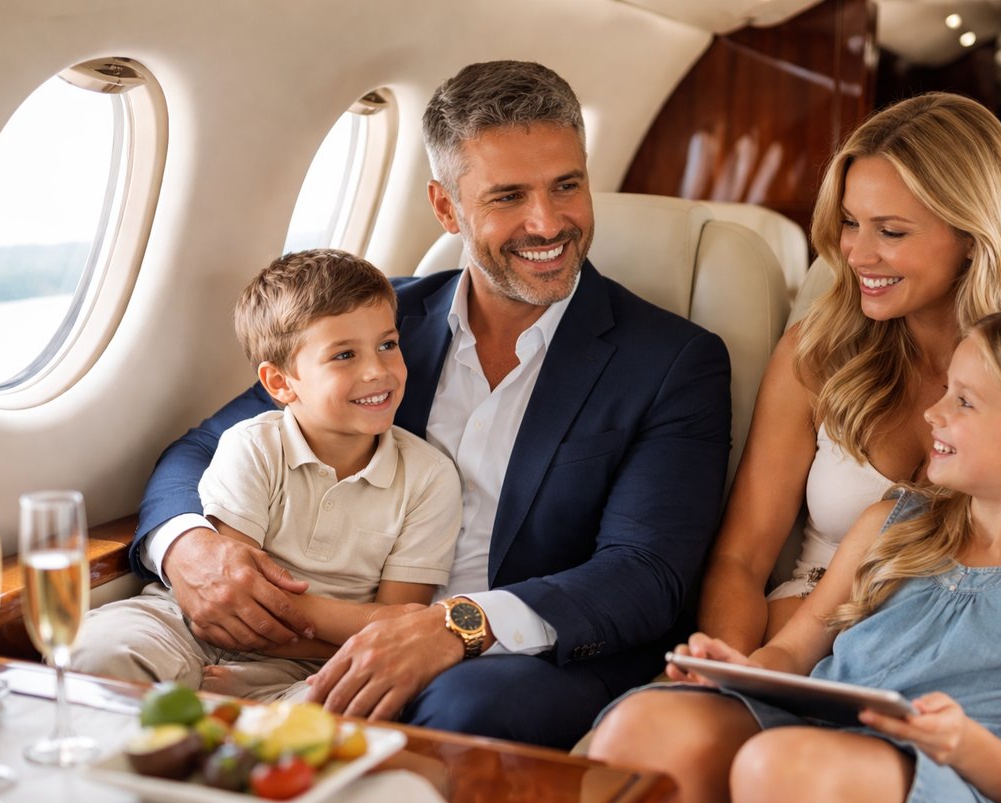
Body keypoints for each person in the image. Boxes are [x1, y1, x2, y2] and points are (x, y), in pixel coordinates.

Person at [119, 60, 732, 747]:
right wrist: (190, 549)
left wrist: (455, 628)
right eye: (507, 197)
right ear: (446, 208)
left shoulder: (674, 360)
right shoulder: (380, 323)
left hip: (522, 654)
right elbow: (200, 448)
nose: (547, 221)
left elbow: (646, 574)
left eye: (567, 185)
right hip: (337, 629)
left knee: (461, 707)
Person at [697, 92, 1001, 803]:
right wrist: (741, 677)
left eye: (891, 231)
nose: (855, 254)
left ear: (973, 236)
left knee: (789, 772)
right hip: (806, 654)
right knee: (646, 737)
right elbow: (741, 558)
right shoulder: (818, 353)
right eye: (848, 222)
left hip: (935, 713)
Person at [592, 310, 1001, 803]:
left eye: (965, 402)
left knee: (785, 768)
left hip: (955, 793)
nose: (935, 412)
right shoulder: (889, 524)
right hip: (815, 738)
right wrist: (734, 669)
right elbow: (794, 651)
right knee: (644, 724)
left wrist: (960, 743)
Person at [71, 250, 462, 700]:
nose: (377, 371)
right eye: (344, 355)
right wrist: (353, 619)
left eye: (388, 345)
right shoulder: (252, 445)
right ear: (280, 384)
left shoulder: (430, 477)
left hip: (312, 661)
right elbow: (230, 598)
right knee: (97, 650)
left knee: (332, 710)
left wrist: (287, 649)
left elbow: (396, 625)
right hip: (186, 624)